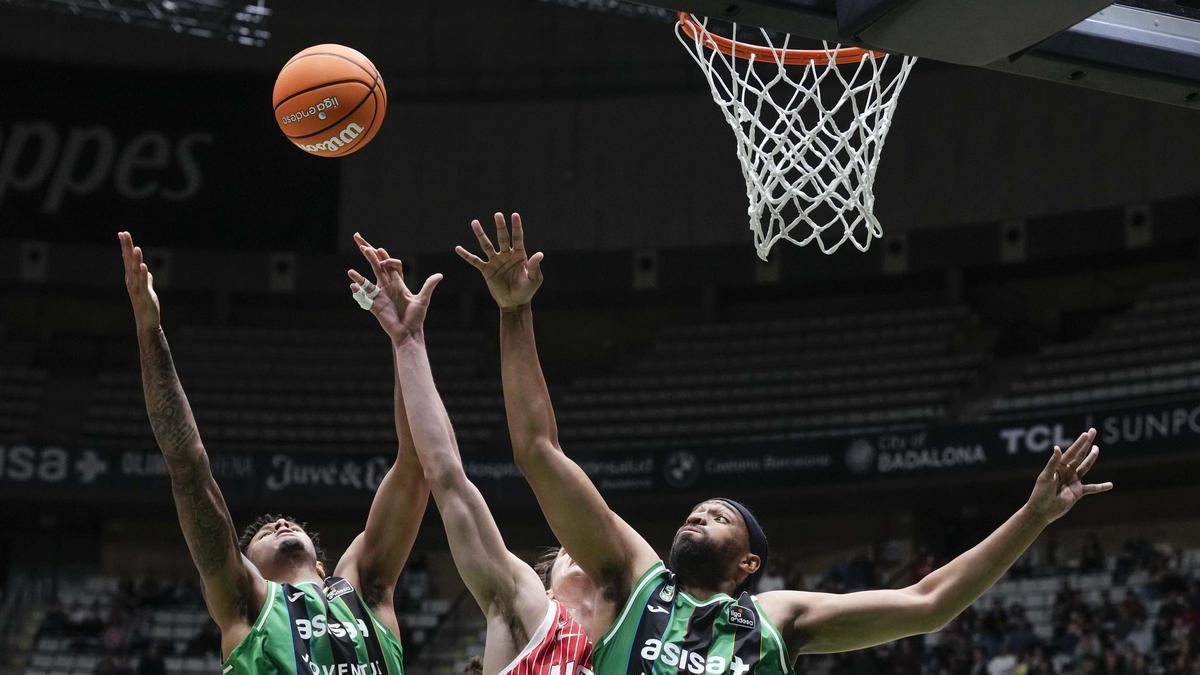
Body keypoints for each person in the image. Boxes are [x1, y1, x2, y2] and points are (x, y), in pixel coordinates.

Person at [457, 212, 1116, 674]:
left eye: (721, 516)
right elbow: (540, 451)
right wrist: (515, 312)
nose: (699, 513)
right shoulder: (633, 578)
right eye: (697, 510)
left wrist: (1032, 516)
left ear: (749, 564)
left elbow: (929, 602)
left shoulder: (777, 618)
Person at [117, 232, 428, 674]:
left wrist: (406, 340)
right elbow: (189, 469)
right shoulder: (247, 602)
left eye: (284, 526)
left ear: (323, 566)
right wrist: (151, 335)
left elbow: (417, 463)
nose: (279, 523)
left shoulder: (366, 590)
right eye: (262, 535)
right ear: (249, 569)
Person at [347, 233, 595, 674]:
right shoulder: (530, 614)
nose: (571, 549)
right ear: (548, 590)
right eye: (561, 552)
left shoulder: (648, 633)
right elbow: (447, 478)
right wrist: (408, 343)